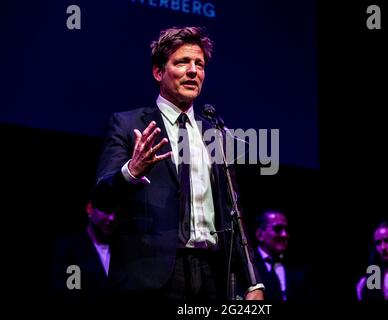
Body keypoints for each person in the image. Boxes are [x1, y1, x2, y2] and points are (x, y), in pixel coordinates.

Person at [92, 26, 263, 301]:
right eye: (182, 62)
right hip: (150, 276)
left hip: (211, 275)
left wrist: (252, 281)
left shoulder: (214, 135)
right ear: (159, 72)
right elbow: (102, 196)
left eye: (200, 64)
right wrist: (131, 172)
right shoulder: (127, 124)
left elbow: (233, 213)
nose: (193, 71)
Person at [51, 200, 118, 298]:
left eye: (117, 213)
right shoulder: (70, 248)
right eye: (107, 210)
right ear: (90, 208)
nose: (112, 218)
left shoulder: (123, 250)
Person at [253, 210, 314, 301]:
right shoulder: (248, 264)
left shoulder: (299, 266)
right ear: (260, 234)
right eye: (278, 229)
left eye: (286, 230)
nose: (284, 235)